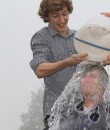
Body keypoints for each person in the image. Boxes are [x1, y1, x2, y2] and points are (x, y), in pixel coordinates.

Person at [29, 0, 87, 129]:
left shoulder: (79, 37)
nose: (61, 20)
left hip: (83, 111)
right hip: (56, 113)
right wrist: (66, 62)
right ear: (46, 16)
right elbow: (39, 70)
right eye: (55, 16)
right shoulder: (41, 38)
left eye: (64, 14)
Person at [48, 61, 110, 130]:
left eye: (93, 76)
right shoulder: (67, 110)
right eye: (84, 76)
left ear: (103, 84)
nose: (87, 80)